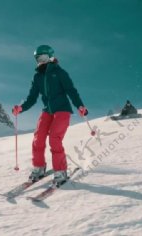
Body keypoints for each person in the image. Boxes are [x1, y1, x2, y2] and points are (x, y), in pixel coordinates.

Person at [12, 45, 88, 185]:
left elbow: (71, 91)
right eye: (38, 59)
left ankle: (60, 171)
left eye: (43, 58)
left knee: (54, 138)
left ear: (50, 57)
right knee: (38, 138)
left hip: (62, 109)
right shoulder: (37, 77)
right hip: (47, 110)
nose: (40, 61)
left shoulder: (60, 73)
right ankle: (39, 167)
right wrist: (21, 108)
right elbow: (32, 98)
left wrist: (80, 106)